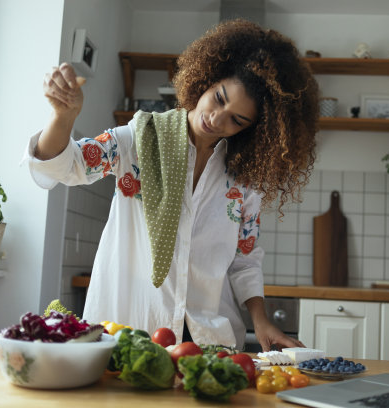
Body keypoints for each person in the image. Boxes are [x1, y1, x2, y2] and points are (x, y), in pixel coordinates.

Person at [25, 19, 319, 351]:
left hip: (209, 340)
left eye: (237, 119)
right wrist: (63, 118)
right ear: (206, 80)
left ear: (252, 129)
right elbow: (65, 166)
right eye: (219, 98)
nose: (217, 119)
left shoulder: (244, 180)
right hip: (129, 329)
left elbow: (244, 259)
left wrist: (261, 321)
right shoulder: (140, 138)